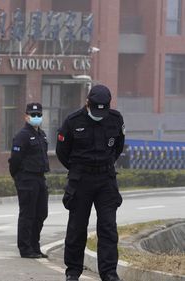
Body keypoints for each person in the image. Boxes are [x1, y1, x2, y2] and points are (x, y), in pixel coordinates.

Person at [56, 85, 125, 281]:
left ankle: (109, 273)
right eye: (95, 109)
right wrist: (78, 169)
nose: (99, 114)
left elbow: (118, 147)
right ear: (88, 103)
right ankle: (73, 272)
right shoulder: (72, 121)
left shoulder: (115, 119)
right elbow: (62, 152)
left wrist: (105, 165)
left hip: (106, 180)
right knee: (77, 228)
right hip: (81, 180)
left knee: (108, 227)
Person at [8, 103, 49, 259]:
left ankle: (35, 246)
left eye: (39, 114)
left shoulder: (42, 135)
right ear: (26, 116)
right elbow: (15, 160)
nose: (36, 117)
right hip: (27, 178)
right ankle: (25, 248)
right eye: (33, 115)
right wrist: (18, 177)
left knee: (41, 213)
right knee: (28, 215)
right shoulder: (22, 136)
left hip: (40, 178)